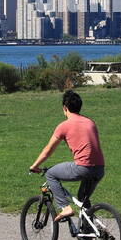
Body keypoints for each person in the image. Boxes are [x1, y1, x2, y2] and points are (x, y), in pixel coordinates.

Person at [29, 90, 105, 225]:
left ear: (65, 108)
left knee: (51, 174)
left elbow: (48, 150)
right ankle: (88, 234)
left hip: (83, 167)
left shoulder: (64, 126)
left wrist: (34, 166)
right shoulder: (90, 122)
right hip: (99, 169)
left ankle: (65, 207)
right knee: (83, 199)